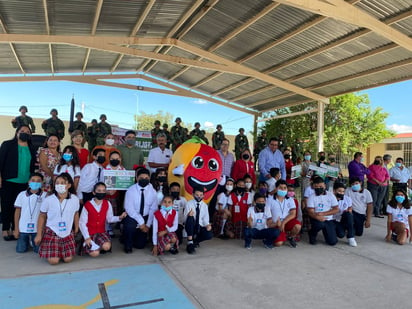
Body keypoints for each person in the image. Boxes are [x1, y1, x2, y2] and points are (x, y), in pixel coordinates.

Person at [0, 125, 37, 240]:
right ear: (17, 133)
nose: (25, 133)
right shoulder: (7, 145)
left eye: (27, 132)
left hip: (25, 182)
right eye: (22, 131)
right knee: (7, 204)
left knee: (18, 207)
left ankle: (15, 228)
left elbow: (33, 166)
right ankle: (6, 229)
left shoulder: (32, 148)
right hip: (8, 180)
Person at [35, 173, 80, 265]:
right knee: (53, 261)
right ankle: (54, 251)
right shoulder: (48, 199)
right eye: (57, 183)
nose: (59, 185)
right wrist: (39, 234)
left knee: (68, 259)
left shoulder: (74, 199)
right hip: (52, 231)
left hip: (67, 232)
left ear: (69, 185)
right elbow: (42, 216)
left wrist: (76, 227)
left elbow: (76, 213)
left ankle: (60, 251)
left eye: (63, 183)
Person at [79, 182, 127, 257]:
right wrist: (87, 237)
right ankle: (92, 247)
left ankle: (97, 246)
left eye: (103, 191)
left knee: (107, 246)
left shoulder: (107, 203)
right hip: (89, 233)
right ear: (94, 192)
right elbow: (82, 223)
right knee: (95, 254)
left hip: (101, 232)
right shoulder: (87, 205)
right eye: (99, 191)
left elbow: (109, 219)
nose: (101, 192)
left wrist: (119, 217)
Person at [122, 168, 158, 253]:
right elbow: (129, 208)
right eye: (141, 178)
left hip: (145, 217)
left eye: (146, 178)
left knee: (140, 245)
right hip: (133, 216)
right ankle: (128, 243)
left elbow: (153, 209)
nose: (144, 180)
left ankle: (134, 236)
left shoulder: (153, 191)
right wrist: (141, 222)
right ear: (137, 178)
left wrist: (148, 225)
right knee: (130, 226)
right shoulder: (131, 190)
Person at [13, 173, 46, 253]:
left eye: (38, 181)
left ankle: (33, 242)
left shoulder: (45, 196)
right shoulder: (21, 195)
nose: (35, 183)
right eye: (33, 180)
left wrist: (43, 229)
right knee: (20, 250)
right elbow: (17, 213)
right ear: (28, 182)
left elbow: (45, 214)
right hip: (23, 228)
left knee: (38, 251)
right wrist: (16, 229)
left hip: (37, 229)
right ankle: (27, 241)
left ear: (42, 183)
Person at [268, 180, 301, 248]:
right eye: (280, 188)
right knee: (278, 244)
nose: (283, 190)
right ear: (276, 188)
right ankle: (275, 237)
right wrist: (275, 224)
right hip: (275, 224)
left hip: (286, 222)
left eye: (284, 188)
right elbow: (268, 215)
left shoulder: (290, 200)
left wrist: (283, 223)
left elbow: (293, 214)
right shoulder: (270, 200)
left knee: (297, 226)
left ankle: (290, 237)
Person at [306, 177, 339, 246]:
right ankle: (312, 234)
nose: (318, 188)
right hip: (316, 217)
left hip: (328, 219)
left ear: (324, 185)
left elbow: (336, 209)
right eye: (316, 187)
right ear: (313, 187)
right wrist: (317, 217)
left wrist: (324, 213)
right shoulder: (311, 197)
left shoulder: (330, 195)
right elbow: (310, 211)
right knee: (319, 224)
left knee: (332, 242)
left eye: (321, 186)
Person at [184, 187, 213, 254]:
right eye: (197, 195)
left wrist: (207, 225)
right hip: (190, 226)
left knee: (209, 234)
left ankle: (194, 242)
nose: (199, 197)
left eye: (201, 195)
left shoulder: (204, 205)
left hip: (199, 226)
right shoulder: (189, 204)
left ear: (203, 195)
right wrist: (189, 215)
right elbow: (185, 219)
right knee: (190, 218)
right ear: (193, 194)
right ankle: (190, 241)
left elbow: (205, 219)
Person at [333, 182, 357, 247]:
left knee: (349, 215)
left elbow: (350, 208)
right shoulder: (330, 198)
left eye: (343, 191)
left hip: (342, 218)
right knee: (341, 235)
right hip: (333, 220)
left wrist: (349, 210)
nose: (341, 193)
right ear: (334, 191)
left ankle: (351, 237)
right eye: (339, 191)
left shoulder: (347, 199)